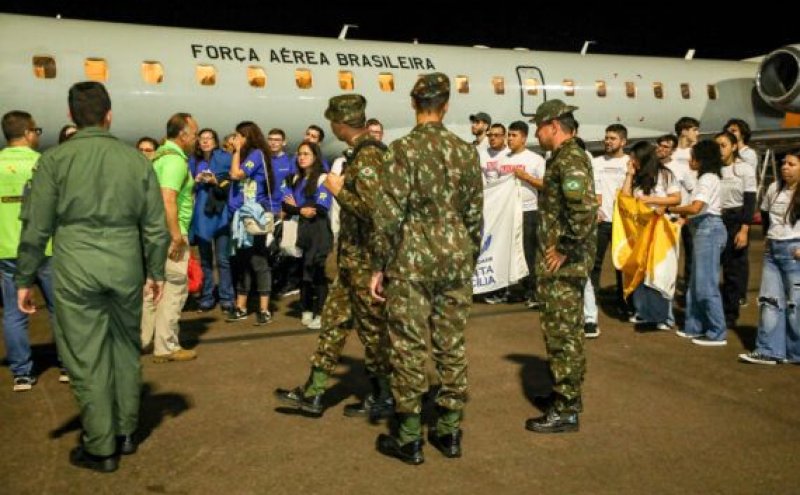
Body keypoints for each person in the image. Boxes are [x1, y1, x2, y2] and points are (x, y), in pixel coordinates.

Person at [15, 81, 170, 472]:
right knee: (124, 348)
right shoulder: (137, 161)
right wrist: (155, 271)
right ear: (109, 114)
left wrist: (24, 279)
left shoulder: (53, 161)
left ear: (70, 116)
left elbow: (36, 228)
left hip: (76, 268)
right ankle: (126, 432)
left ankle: (101, 447)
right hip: (125, 265)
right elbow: (155, 227)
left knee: (86, 356)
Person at [370, 72, 483, 464]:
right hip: (455, 260)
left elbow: (387, 215)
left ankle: (409, 437)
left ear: (413, 104)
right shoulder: (467, 151)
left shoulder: (400, 150)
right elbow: (474, 214)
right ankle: (450, 433)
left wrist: (378, 265)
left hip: (410, 264)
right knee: (451, 344)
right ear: (447, 105)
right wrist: (466, 253)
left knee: (409, 348)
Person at [274, 94, 394, 421]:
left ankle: (385, 396)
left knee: (372, 332)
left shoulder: (370, 157)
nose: (331, 126)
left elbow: (374, 211)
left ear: (341, 123)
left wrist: (339, 191)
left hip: (367, 263)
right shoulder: (358, 154)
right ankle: (313, 393)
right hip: (351, 261)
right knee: (333, 323)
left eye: (332, 121)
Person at [525, 99, 597, 434]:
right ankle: (565, 396)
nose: (536, 133)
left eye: (538, 127)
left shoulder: (569, 158)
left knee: (563, 335)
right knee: (563, 333)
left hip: (564, 268)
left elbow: (582, 210)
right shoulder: (565, 158)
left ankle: (567, 410)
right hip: (561, 266)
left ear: (554, 125)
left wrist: (564, 249)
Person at [0, 111, 67, 390]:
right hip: (46, 247)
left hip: (7, 249)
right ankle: (67, 365)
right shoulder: (44, 164)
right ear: (28, 132)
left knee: (14, 313)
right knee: (59, 309)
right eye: (36, 130)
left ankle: (22, 373)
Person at [140, 113, 199, 362]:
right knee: (174, 288)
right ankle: (166, 346)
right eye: (194, 134)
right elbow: (168, 199)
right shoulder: (175, 161)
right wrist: (176, 236)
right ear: (183, 135)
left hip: (152, 233)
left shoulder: (158, 157)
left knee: (153, 287)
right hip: (170, 233)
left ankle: (143, 339)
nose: (196, 139)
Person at [739, 150, 800, 365]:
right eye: (784, 163)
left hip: (795, 252)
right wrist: (769, 237)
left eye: (791, 164)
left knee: (796, 305)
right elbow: (764, 213)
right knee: (770, 301)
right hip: (773, 250)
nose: (785, 167)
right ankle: (769, 350)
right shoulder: (774, 188)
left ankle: (796, 352)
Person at [664, 140, 727, 346]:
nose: (690, 161)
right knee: (695, 282)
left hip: (708, 228)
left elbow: (695, 207)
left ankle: (717, 331)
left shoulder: (708, 178)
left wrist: (670, 210)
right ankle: (695, 326)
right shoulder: (703, 177)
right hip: (701, 229)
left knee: (706, 283)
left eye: (693, 157)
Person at [621, 141, 680, 330]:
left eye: (634, 158)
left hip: (661, 230)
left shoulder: (665, 175)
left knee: (660, 272)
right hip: (640, 231)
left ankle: (665, 317)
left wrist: (651, 200)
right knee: (641, 272)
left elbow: (676, 198)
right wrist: (629, 175)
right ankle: (645, 313)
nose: (631, 161)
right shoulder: (637, 177)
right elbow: (625, 198)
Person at [226, 121, 277, 324]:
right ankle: (241, 306)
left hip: (252, 215)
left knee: (258, 261)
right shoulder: (248, 155)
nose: (235, 139)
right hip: (240, 215)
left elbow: (236, 174)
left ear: (248, 137)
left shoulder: (255, 154)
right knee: (242, 261)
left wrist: (236, 151)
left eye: (239, 136)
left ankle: (264, 309)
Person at [280, 141, 333, 329]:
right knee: (303, 271)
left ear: (315, 157)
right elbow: (286, 204)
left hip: (318, 230)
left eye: (306, 154)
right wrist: (299, 210)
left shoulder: (323, 178)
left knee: (317, 270)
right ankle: (306, 309)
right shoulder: (293, 179)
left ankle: (321, 312)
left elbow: (319, 207)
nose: (301, 157)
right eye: (300, 154)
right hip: (301, 229)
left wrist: (297, 208)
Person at [189, 128, 234, 313]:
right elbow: (187, 185)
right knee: (205, 260)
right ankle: (207, 296)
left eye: (209, 138)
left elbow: (232, 179)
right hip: (201, 212)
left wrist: (216, 181)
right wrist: (197, 180)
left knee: (223, 259)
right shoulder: (194, 160)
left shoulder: (224, 158)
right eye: (202, 138)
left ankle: (226, 297)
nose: (205, 141)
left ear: (215, 142)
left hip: (220, 210)